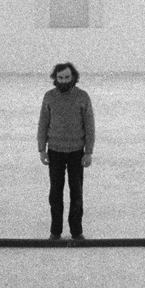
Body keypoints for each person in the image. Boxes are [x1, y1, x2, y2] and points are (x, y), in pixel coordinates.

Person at [37, 62, 95, 241]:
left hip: (76, 152)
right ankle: (55, 232)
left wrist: (88, 151)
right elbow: (43, 124)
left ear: (73, 78)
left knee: (76, 193)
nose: (63, 81)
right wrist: (42, 149)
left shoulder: (82, 97)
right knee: (55, 193)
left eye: (67, 77)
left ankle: (76, 232)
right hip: (55, 152)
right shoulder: (49, 97)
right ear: (56, 78)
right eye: (60, 77)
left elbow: (89, 125)